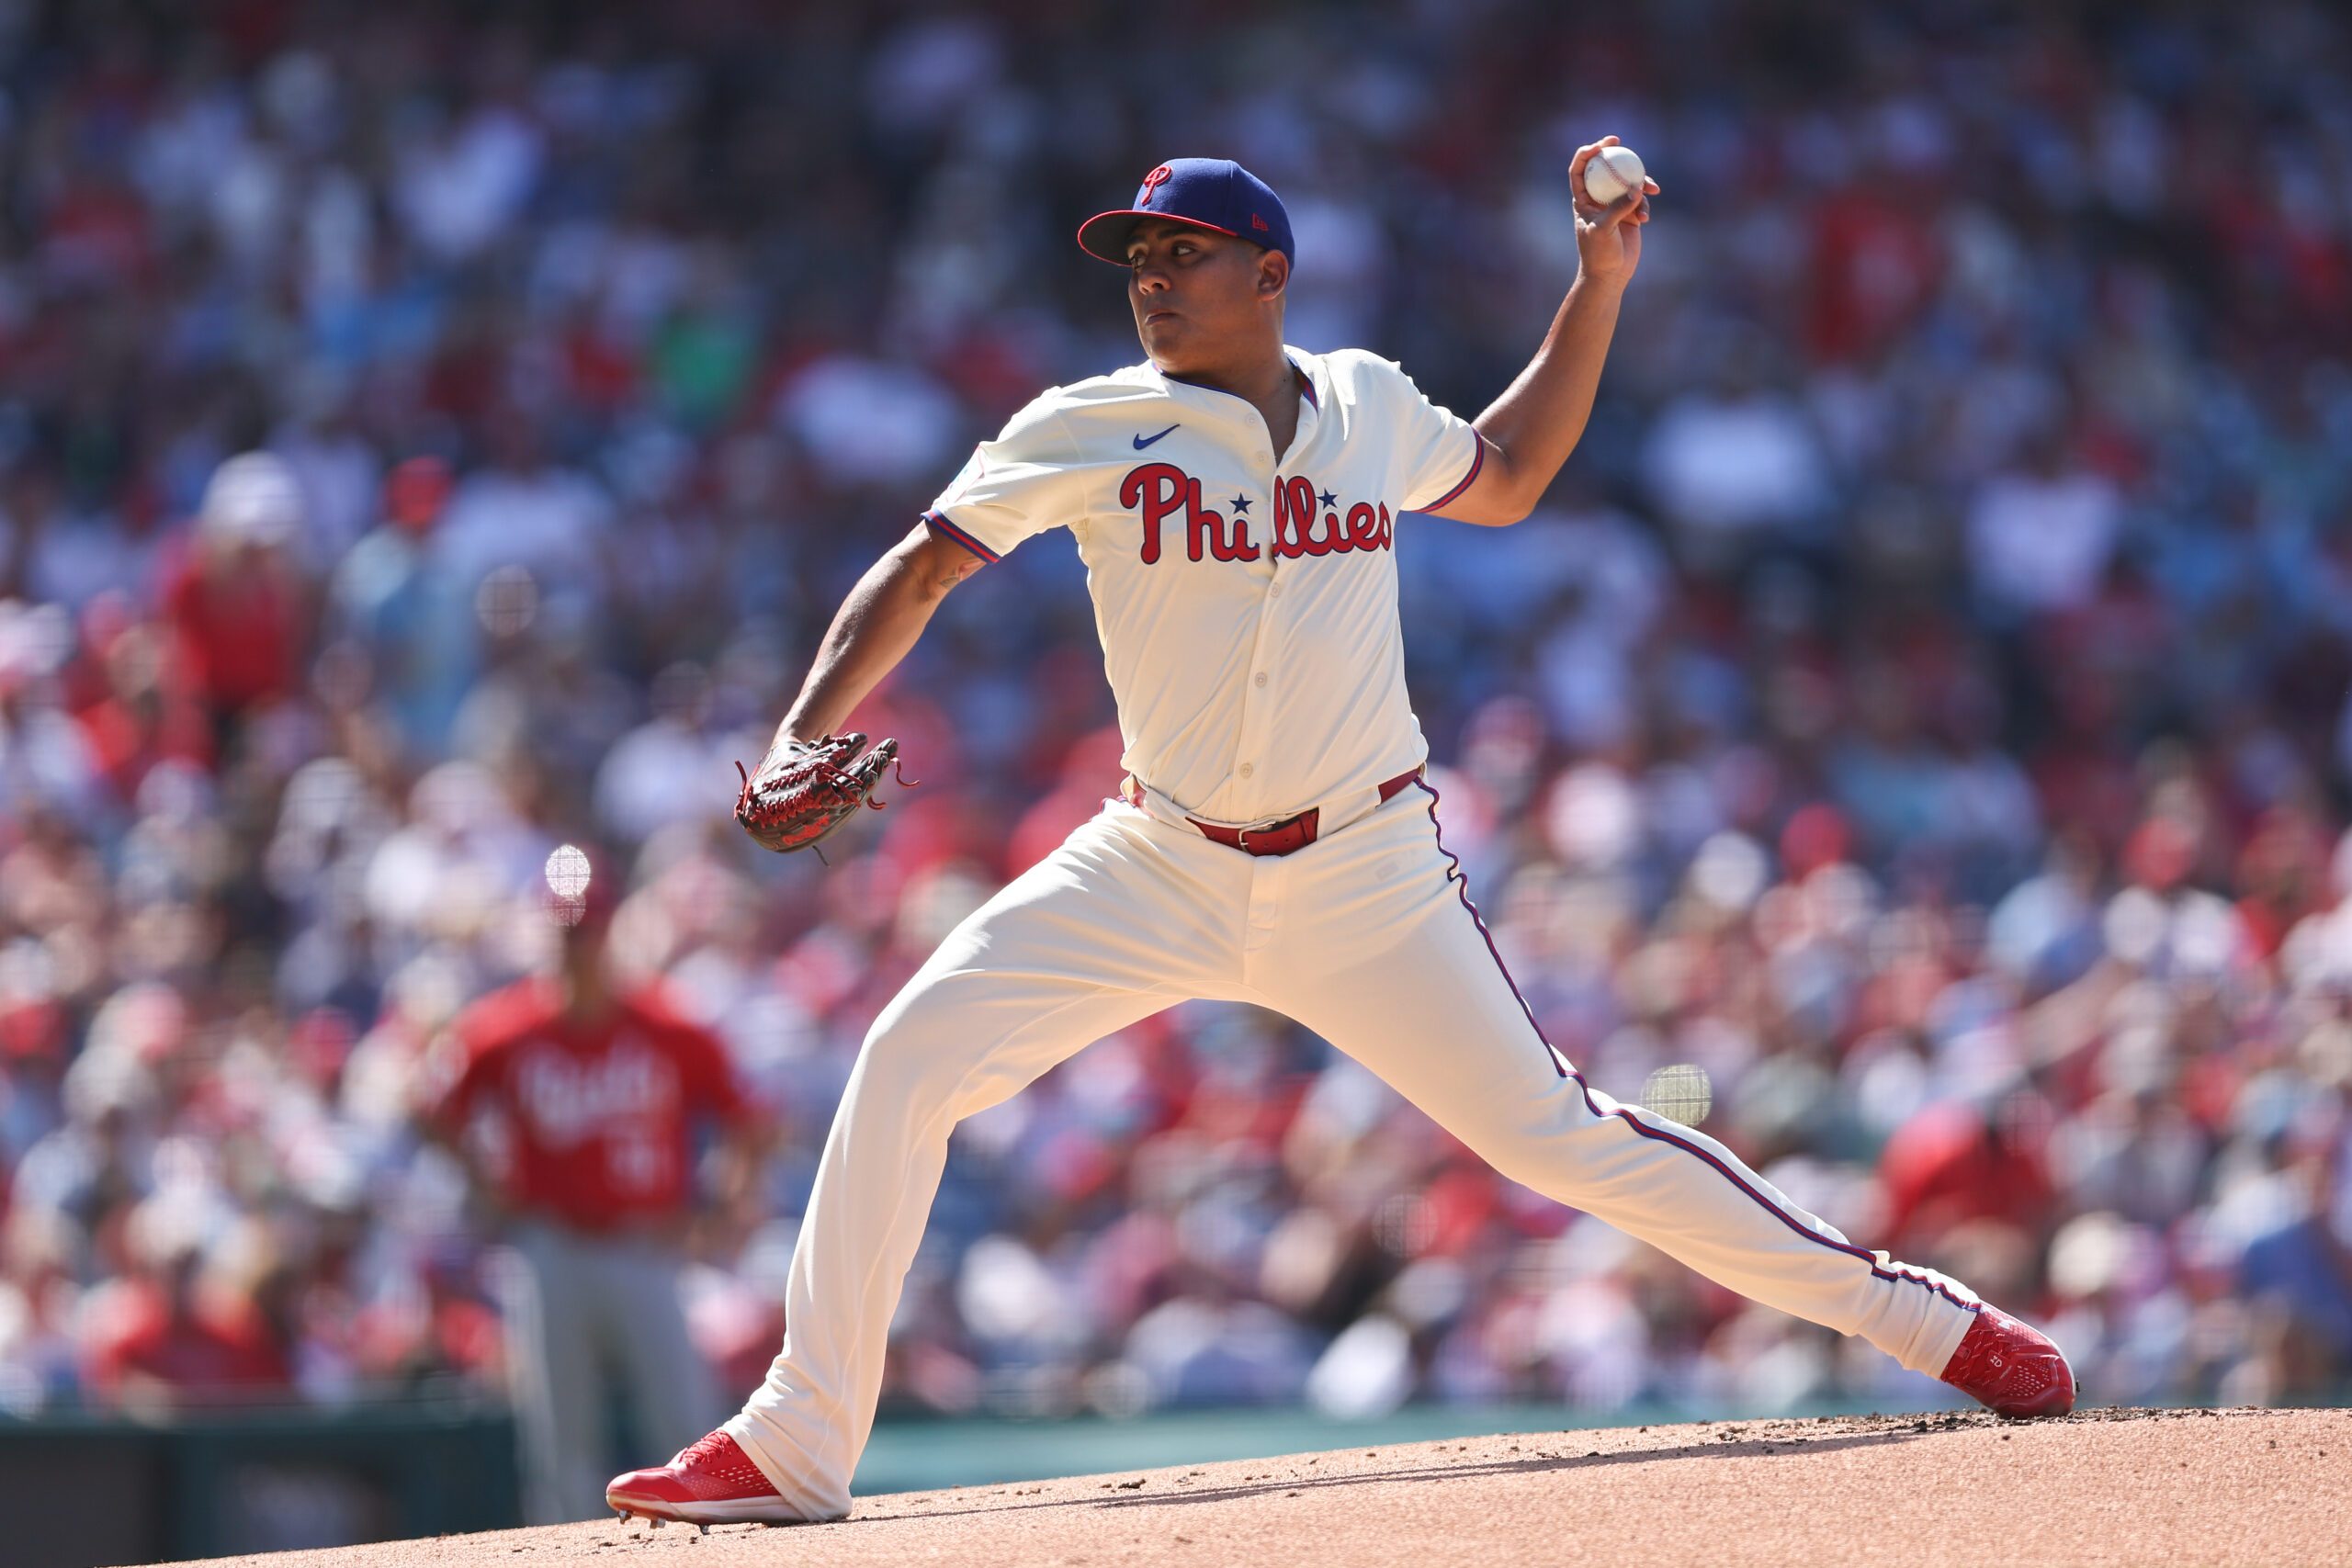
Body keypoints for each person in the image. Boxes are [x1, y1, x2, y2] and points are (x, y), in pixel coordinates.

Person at [607, 145, 2075, 1529]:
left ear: (1271, 273)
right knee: (906, 1057)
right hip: (1159, 858)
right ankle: (800, 1440)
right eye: (1139, 258)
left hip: (1365, 869)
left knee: (1564, 1135)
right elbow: (923, 568)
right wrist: (806, 725)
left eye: (1187, 252)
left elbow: (1502, 476)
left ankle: (1930, 1323)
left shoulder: (1365, 405)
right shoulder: (1089, 422)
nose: (1154, 277)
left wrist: (1599, 287)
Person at [421, 848, 769, 1522]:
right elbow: (432, 1106)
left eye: (587, 927)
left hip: (645, 1244)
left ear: (610, 929)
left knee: (685, 1425)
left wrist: (718, 1206)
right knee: (562, 1443)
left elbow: (748, 1121)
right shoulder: (506, 1026)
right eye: (565, 928)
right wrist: (486, 1182)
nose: (577, 943)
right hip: (551, 1245)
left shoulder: (667, 1023)